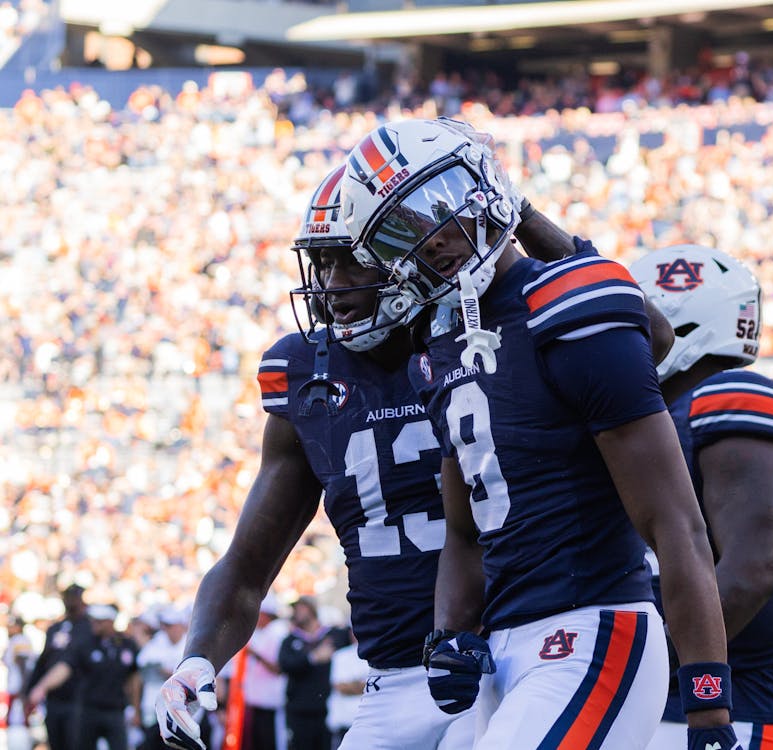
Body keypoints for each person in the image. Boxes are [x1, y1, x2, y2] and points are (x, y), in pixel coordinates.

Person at [155, 153, 594, 750]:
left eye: (352, 262)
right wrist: (198, 661)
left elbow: (639, 331)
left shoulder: (485, 333)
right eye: (322, 263)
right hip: (392, 681)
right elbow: (247, 567)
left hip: (510, 656)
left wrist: (518, 218)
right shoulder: (307, 375)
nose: (332, 287)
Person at [340, 117, 739, 749]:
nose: (430, 237)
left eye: (434, 205)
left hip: (591, 629)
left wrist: (709, 703)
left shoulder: (572, 305)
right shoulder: (437, 346)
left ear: (487, 186)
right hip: (504, 648)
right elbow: (466, 530)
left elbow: (675, 525)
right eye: (400, 227)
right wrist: (451, 634)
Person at [630, 244, 773, 748]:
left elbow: (748, 573)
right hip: (676, 698)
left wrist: (638, 672)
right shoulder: (648, 414)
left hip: (740, 702)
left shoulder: (734, 394)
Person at [29, 604, 141, 750]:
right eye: (93, 620)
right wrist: (42, 687)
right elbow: (64, 668)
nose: (94, 624)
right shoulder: (86, 644)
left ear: (110, 621)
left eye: (99, 621)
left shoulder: (127, 644)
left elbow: (134, 679)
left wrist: (136, 709)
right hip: (89, 710)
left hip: (116, 710)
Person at [25, 583, 93, 750]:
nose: (70, 602)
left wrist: (40, 687)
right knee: (56, 742)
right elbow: (43, 661)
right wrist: (29, 689)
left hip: (78, 698)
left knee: (75, 743)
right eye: (67, 597)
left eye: (73, 598)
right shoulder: (55, 628)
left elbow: (70, 663)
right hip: (54, 698)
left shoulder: (88, 628)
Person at [278, 597, 335, 750]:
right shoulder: (289, 640)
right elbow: (285, 665)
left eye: (300, 607)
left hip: (328, 710)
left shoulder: (333, 635)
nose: (295, 612)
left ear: (311, 609)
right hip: (299, 710)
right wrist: (312, 657)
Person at [240, 594, 288, 750]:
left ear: (266, 614)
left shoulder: (278, 632)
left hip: (271, 703)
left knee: (269, 743)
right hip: (257, 701)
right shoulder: (263, 632)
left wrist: (255, 654)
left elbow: (279, 668)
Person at [138, 607, 189, 750]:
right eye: (165, 625)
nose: (167, 629)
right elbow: (143, 663)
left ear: (181, 625)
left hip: (178, 713)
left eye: (170, 625)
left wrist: (168, 672)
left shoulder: (188, 644)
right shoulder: (158, 641)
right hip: (153, 708)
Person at [326, 629, 367, 749]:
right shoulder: (341, 655)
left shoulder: (377, 655)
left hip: (369, 724)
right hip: (345, 724)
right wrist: (364, 685)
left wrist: (355, 685)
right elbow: (341, 687)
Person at [3, 615, 38, 750]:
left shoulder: (20, 640)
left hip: (18, 687)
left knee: (18, 723)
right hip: (16, 686)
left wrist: (23, 689)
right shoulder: (15, 640)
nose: (9, 629)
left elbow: (22, 665)